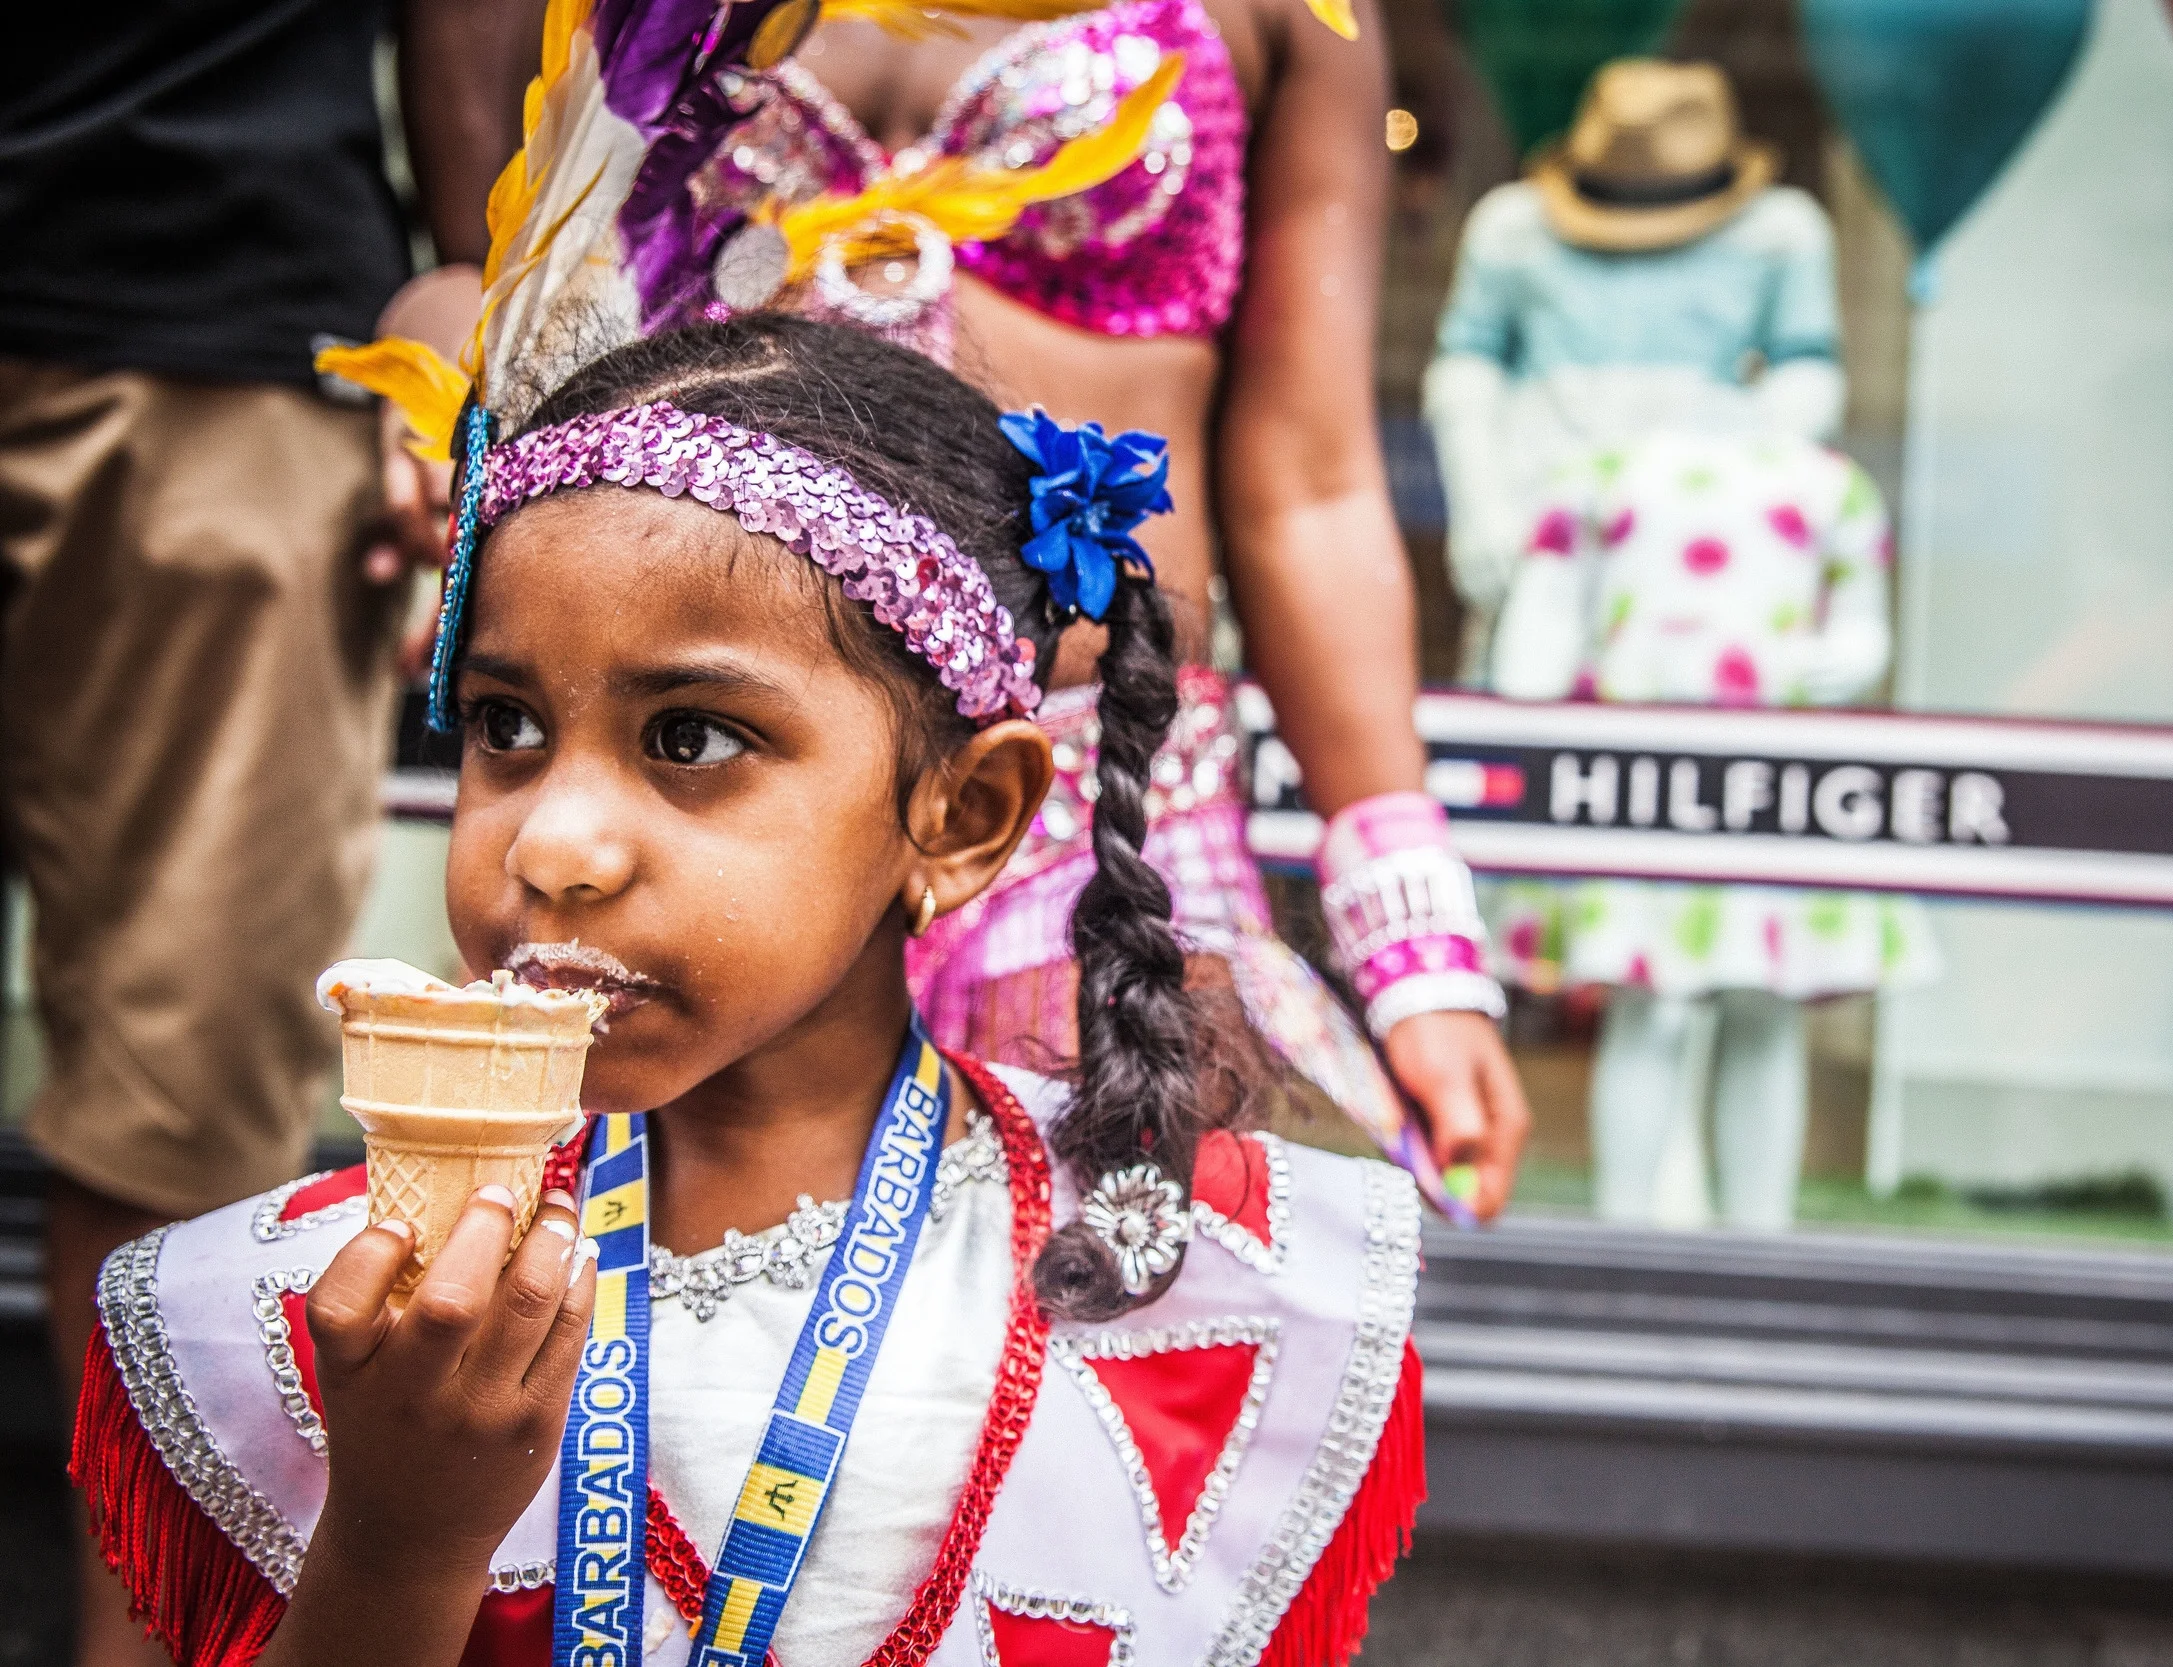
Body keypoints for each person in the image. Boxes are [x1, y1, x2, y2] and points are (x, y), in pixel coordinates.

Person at [73, 307, 1427, 1667]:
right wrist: (399, 1541)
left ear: (964, 813)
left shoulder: (1192, 1286)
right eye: (507, 727)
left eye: (691, 737)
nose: (550, 843)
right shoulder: (328, 1301)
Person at [664, 0, 1536, 1215]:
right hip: (705, 787)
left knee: (1105, 1341)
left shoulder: (1287, 13)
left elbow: (1313, 486)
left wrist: (1416, 952)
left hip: (1101, 829)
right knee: (649, 1332)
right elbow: (517, 311)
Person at [0, 4, 525, 1659]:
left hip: (208, 304)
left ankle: (135, 1640)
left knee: (182, 1085)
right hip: (208, 304)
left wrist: (468, 307)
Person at [1425, 60, 1935, 1229]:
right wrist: (1491, 510)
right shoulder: (1512, 232)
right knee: (1610, 933)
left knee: (1748, 984)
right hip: (1571, 562)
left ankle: (1744, 1231)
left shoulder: (1779, 253)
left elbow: (1811, 375)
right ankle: (1587, 1193)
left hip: (1725, 621)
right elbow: (1465, 365)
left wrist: (1722, 472)